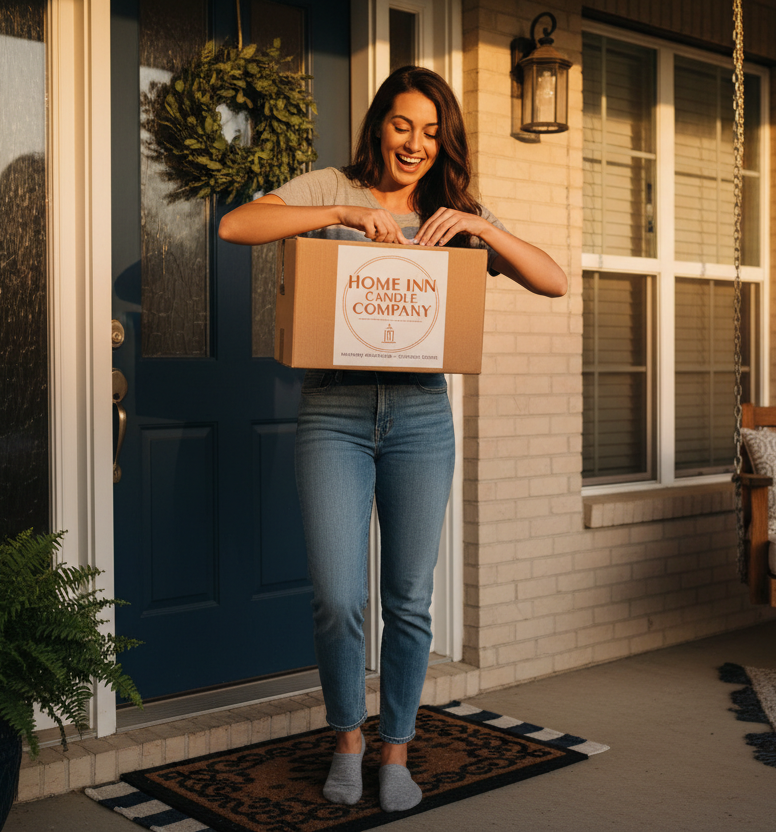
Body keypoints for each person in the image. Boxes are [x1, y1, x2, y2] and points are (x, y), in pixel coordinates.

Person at [218, 65, 566, 812]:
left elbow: (554, 280)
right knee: (339, 596)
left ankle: (397, 749)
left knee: (408, 599)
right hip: (334, 412)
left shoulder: (450, 211)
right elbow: (235, 226)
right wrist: (341, 211)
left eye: (432, 132)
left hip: (420, 417)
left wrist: (480, 227)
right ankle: (348, 739)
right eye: (403, 125)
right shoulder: (330, 186)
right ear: (379, 125)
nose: (415, 144)